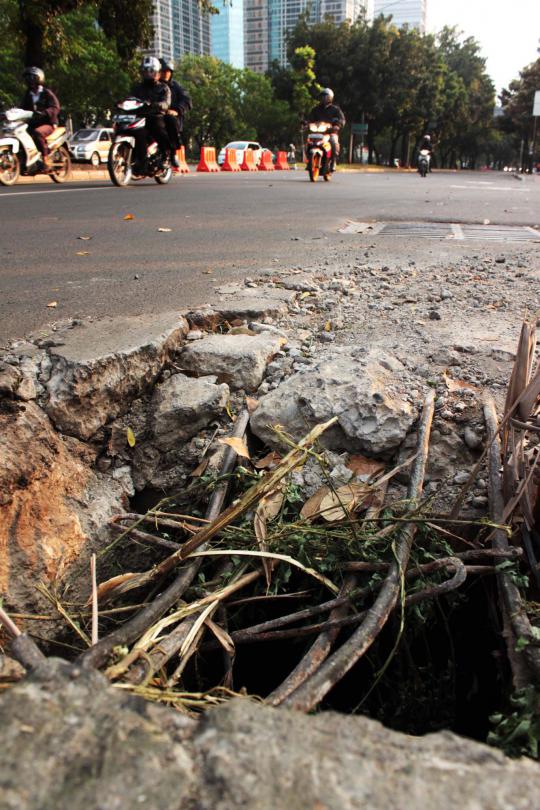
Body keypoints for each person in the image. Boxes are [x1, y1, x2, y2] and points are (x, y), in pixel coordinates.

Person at [131, 56, 172, 173]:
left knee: (158, 128)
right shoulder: (137, 88)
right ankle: (137, 159)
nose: (148, 74)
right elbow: (130, 99)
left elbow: (166, 103)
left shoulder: (163, 88)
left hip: (155, 116)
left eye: (151, 71)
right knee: (133, 130)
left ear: (157, 72)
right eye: (145, 70)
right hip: (138, 118)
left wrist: (155, 105)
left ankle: (166, 155)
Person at [20, 67, 60, 170]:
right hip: (33, 123)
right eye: (28, 78)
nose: (29, 80)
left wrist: (44, 113)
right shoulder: (28, 94)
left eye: (32, 78)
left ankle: (45, 158)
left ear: (39, 78)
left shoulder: (47, 93)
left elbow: (55, 107)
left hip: (48, 124)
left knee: (38, 133)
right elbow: (21, 108)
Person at [159, 58, 192, 171]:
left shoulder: (175, 87)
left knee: (170, 119)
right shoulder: (152, 86)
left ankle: (172, 153)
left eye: (168, 71)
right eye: (163, 71)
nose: (165, 74)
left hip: (171, 117)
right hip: (154, 116)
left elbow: (187, 100)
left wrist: (177, 110)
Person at [308, 88, 345, 171]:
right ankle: (309, 161)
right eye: (322, 97)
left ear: (330, 98)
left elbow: (342, 119)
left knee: (333, 141)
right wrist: (306, 123)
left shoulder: (336, 109)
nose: (324, 98)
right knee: (309, 141)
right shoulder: (315, 109)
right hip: (317, 132)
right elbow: (310, 119)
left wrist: (338, 125)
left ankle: (333, 162)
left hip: (331, 132)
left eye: (326, 96)